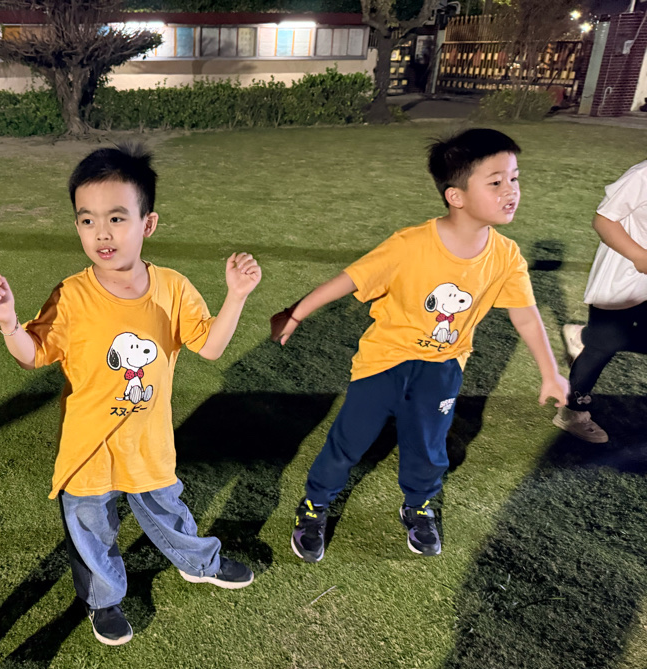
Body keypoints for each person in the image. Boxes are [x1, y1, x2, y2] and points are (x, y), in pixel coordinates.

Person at [0, 144, 260, 646]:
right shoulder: (71, 294)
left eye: (116, 218)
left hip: (147, 441)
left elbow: (211, 346)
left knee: (168, 510)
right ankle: (104, 600)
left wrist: (235, 296)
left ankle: (199, 562)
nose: (101, 233)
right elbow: (33, 354)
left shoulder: (172, 288)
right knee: (91, 530)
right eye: (87, 220)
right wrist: (8, 324)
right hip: (88, 446)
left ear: (147, 224)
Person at [271, 128, 567, 561]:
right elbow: (351, 279)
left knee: (428, 448)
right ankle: (315, 504)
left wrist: (550, 371)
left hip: (443, 368)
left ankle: (420, 506)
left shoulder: (506, 257)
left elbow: (525, 314)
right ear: (456, 196)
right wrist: (296, 313)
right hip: (384, 362)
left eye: (514, 178)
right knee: (348, 441)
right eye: (496, 181)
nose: (511, 191)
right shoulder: (410, 244)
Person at [555, 159, 647, 443]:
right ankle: (572, 412)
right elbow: (604, 220)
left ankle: (585, 336)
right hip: (624, 274)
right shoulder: (643, 175)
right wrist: (640, 257)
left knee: (612, 339)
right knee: (603, 345)